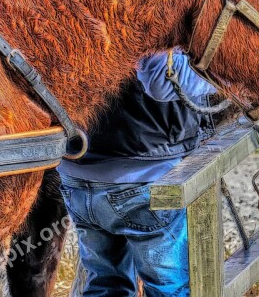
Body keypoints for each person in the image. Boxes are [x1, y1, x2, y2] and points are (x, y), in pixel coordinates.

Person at [58, 51, 216, 297]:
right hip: (143, 174)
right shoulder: (147, 11)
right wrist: (222, 74)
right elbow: (162, 80)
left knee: (105, 284)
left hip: (77, 172)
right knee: (169, 289)